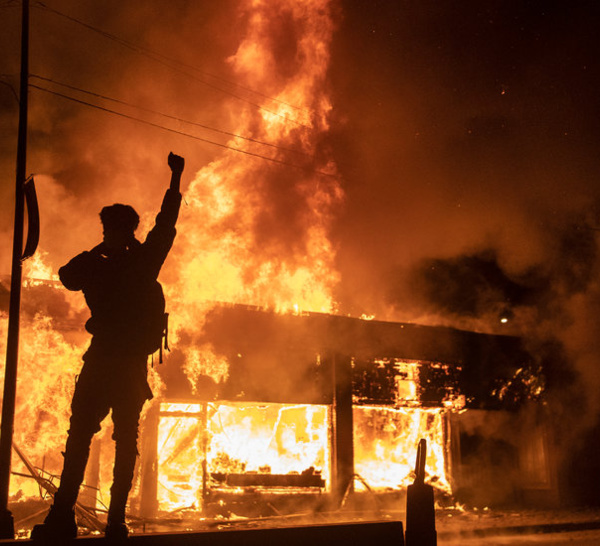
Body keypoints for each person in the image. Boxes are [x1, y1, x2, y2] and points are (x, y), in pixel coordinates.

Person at [32, 152, 185, 541]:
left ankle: (72, 516)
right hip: (123, 365)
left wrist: (97, 254)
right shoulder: (139, 261)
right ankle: (107, 519)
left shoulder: (115, 261)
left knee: (87, 435)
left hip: (108, 362)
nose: (106, 234)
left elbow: (69, 276)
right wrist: (175, 179)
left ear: (116, 229)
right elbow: (68, 276)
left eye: (108, 229)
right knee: (113, 438)